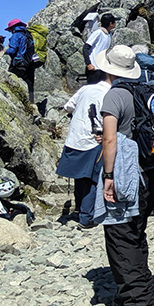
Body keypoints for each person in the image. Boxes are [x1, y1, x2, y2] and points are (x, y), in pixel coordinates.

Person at [92, 45, 154, 306]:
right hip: (147, 173)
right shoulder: (140, 91)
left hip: (124, 173)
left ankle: (137, 302)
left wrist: (108, 177)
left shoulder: (114, 95)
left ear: (109, 68)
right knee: (136, 232)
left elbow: (110, 139)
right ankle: (141, 286)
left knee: (120, 237)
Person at [57, 78, 108, 218]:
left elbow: (68, 107)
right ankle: (87, 216)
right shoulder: (110, 93)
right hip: (94, 140)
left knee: (79, 176)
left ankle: (79, 208)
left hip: (75, 137)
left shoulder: (85, 89)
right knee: (92, 179)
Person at [4, 18, 36, 102]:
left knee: (9, 82)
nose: (10, 31)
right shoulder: (29, 35)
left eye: (10, 29)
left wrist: (4, 51)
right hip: (30, 63)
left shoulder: (16, 35)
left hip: (18, 64)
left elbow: (12, 50)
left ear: (13, 28)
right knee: (29, 85)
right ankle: (32, 105)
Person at [83, 13, 117, 85]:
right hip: (94, 68)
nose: (115, 23)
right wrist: (89, 64)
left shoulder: (109, 34)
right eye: (114, 22)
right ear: (111, 23)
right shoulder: (98, 33)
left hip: (102, 67)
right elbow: (86, 47)